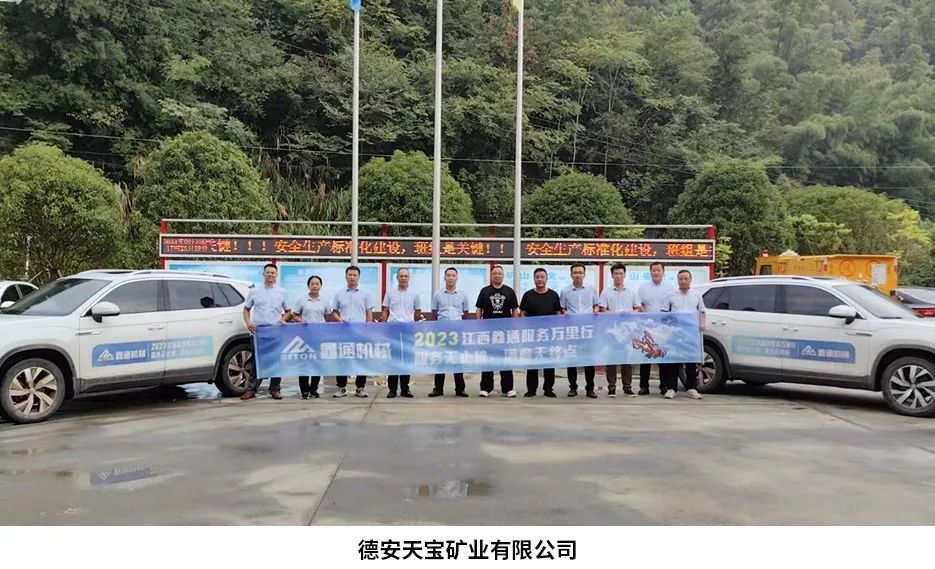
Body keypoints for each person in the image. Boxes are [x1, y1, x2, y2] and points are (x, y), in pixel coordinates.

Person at [241, 263, 291, 401]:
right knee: (257, 361)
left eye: (272, 273)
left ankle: (275, 389)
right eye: (267, 272)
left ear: (276, 275)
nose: (270, 275)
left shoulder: (282, 292)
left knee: (276, 360)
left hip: (275, 331)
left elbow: (288, 312)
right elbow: (246, 310)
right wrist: (248, 323)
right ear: (263, 274)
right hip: (258, 332)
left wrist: (282, 320)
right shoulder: (254, 291)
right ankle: (251, 390)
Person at [331, 265, 376, 398]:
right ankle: (341, 387)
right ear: (346, 276)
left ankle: (360, 388)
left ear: (358, 277)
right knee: (342, 359)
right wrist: (340, 319)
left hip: (360, 332)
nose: (352, 277)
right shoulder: (339, 293)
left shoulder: (366, 293)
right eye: (349, 275)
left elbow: (369, 312)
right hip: (344, 332)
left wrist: (368, 329)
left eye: (354, 275)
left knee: (362, 359)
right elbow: (334, 312)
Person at [661, 270, 706, 400]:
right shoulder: (671, 295)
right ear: (677, 280)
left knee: (690, 361)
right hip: (675, 333)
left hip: (691, 333)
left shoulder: (697, 295)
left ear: (690, 280)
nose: (683, 281)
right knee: (673, 361)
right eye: (681, 279)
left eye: (686, 279)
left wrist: (702, 324)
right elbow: (664, 313)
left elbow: (702, 312)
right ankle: (671, 388)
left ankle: (692, 388)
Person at [475, 265, 519, 397]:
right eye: (495, 273)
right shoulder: (484, 291)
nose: (497, 275)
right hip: (488, 331)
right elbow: (479, 309)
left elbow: (514, 310)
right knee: (487, 359)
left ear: (503, 276)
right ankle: (485, 388)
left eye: (500, 273)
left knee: (505, 360)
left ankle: (508, 388)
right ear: (491, 276)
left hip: (505, 332)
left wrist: (514, 325)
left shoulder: (509, 292)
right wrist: (478, 325)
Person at [599, 263, 641, 397]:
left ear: (624, 275)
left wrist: (630, 313)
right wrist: (614, 315)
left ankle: (627, 387)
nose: (618, 276)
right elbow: (602, 309)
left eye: (621, 273)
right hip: (612, 330)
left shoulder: (632, 292)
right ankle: (611, 387)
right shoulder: (606, 292)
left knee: (627, 359)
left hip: (628, 331)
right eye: (616, 273)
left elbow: (638, 308)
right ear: (612, 275)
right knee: (611, 359)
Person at [520, 268, 562, 398]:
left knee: (549, 362)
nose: (540, 279)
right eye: (537, 277)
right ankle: (531, 389)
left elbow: (558, 313)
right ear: (534, 279)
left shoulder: (553, 295)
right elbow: (522, 313)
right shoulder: (528, 295)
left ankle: (548, 389)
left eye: (542, 277)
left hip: (549, 335)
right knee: (532, 362)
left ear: (546, 278)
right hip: (532, 335)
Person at [430, 267, 472, 397]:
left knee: (457, 360)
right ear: (444, 278)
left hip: (456, 332)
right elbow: (434, 312)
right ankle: (438, 388)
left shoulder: (463, 295)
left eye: (453, 275)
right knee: (440, 359)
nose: (451, 278)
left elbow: (465, 313)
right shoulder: (438, 294)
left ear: (457, 278)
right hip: (442, 332)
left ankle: (460, 389)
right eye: (448, 275)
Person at [636, 262, 677, 395]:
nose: (656, 273)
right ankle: (644, 386)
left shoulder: (670, 288)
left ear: (663, 272)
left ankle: (663, 385)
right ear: (650, 272)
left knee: (662, 356)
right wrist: (644, 315)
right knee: (645, 356)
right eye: (653, 270)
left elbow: (673, 306)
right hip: (647, 327)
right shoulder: (643, 287)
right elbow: (638, 304)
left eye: (658, 270)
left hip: (663, 327)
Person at [560, 263, 600, 398]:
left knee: (589, 360)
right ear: (571, 274)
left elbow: (596, 305)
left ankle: (590, 388)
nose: (578, 275)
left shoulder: (591, 289)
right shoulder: (565, 291)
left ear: (584, 274)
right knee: (572, 359)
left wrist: (595, 311)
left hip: (588, 330)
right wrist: (564, 313)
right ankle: (573, 387)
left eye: (580, 272)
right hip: (572, 330)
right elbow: (562, 308)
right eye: (575, 272)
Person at [382, 267, 422, 399]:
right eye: (401, 276)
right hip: (393, 328)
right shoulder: (390, 293)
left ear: (409, 278)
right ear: (397, 278)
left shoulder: (415, 294)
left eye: (406, 276)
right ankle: (392, 389)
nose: (403, 278)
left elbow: (418, 312)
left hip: (408, 329)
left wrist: (410, 322)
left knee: (407, 359)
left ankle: (405, 389)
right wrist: (384, 326)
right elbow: (385, 310)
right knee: (394, 359)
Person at [291, 275, 331, 399]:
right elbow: (294, 315)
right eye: (312, 284)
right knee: (304, 363)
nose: (315, 286)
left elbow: (327, 316)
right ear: (308, 286)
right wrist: (301, 321)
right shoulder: (302, 300)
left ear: (321, 286)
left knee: (317, 363)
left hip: (319, 336)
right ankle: (304, 390)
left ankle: (313, 389)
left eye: (317, 284)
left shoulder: (325, 301)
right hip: (305, 336)